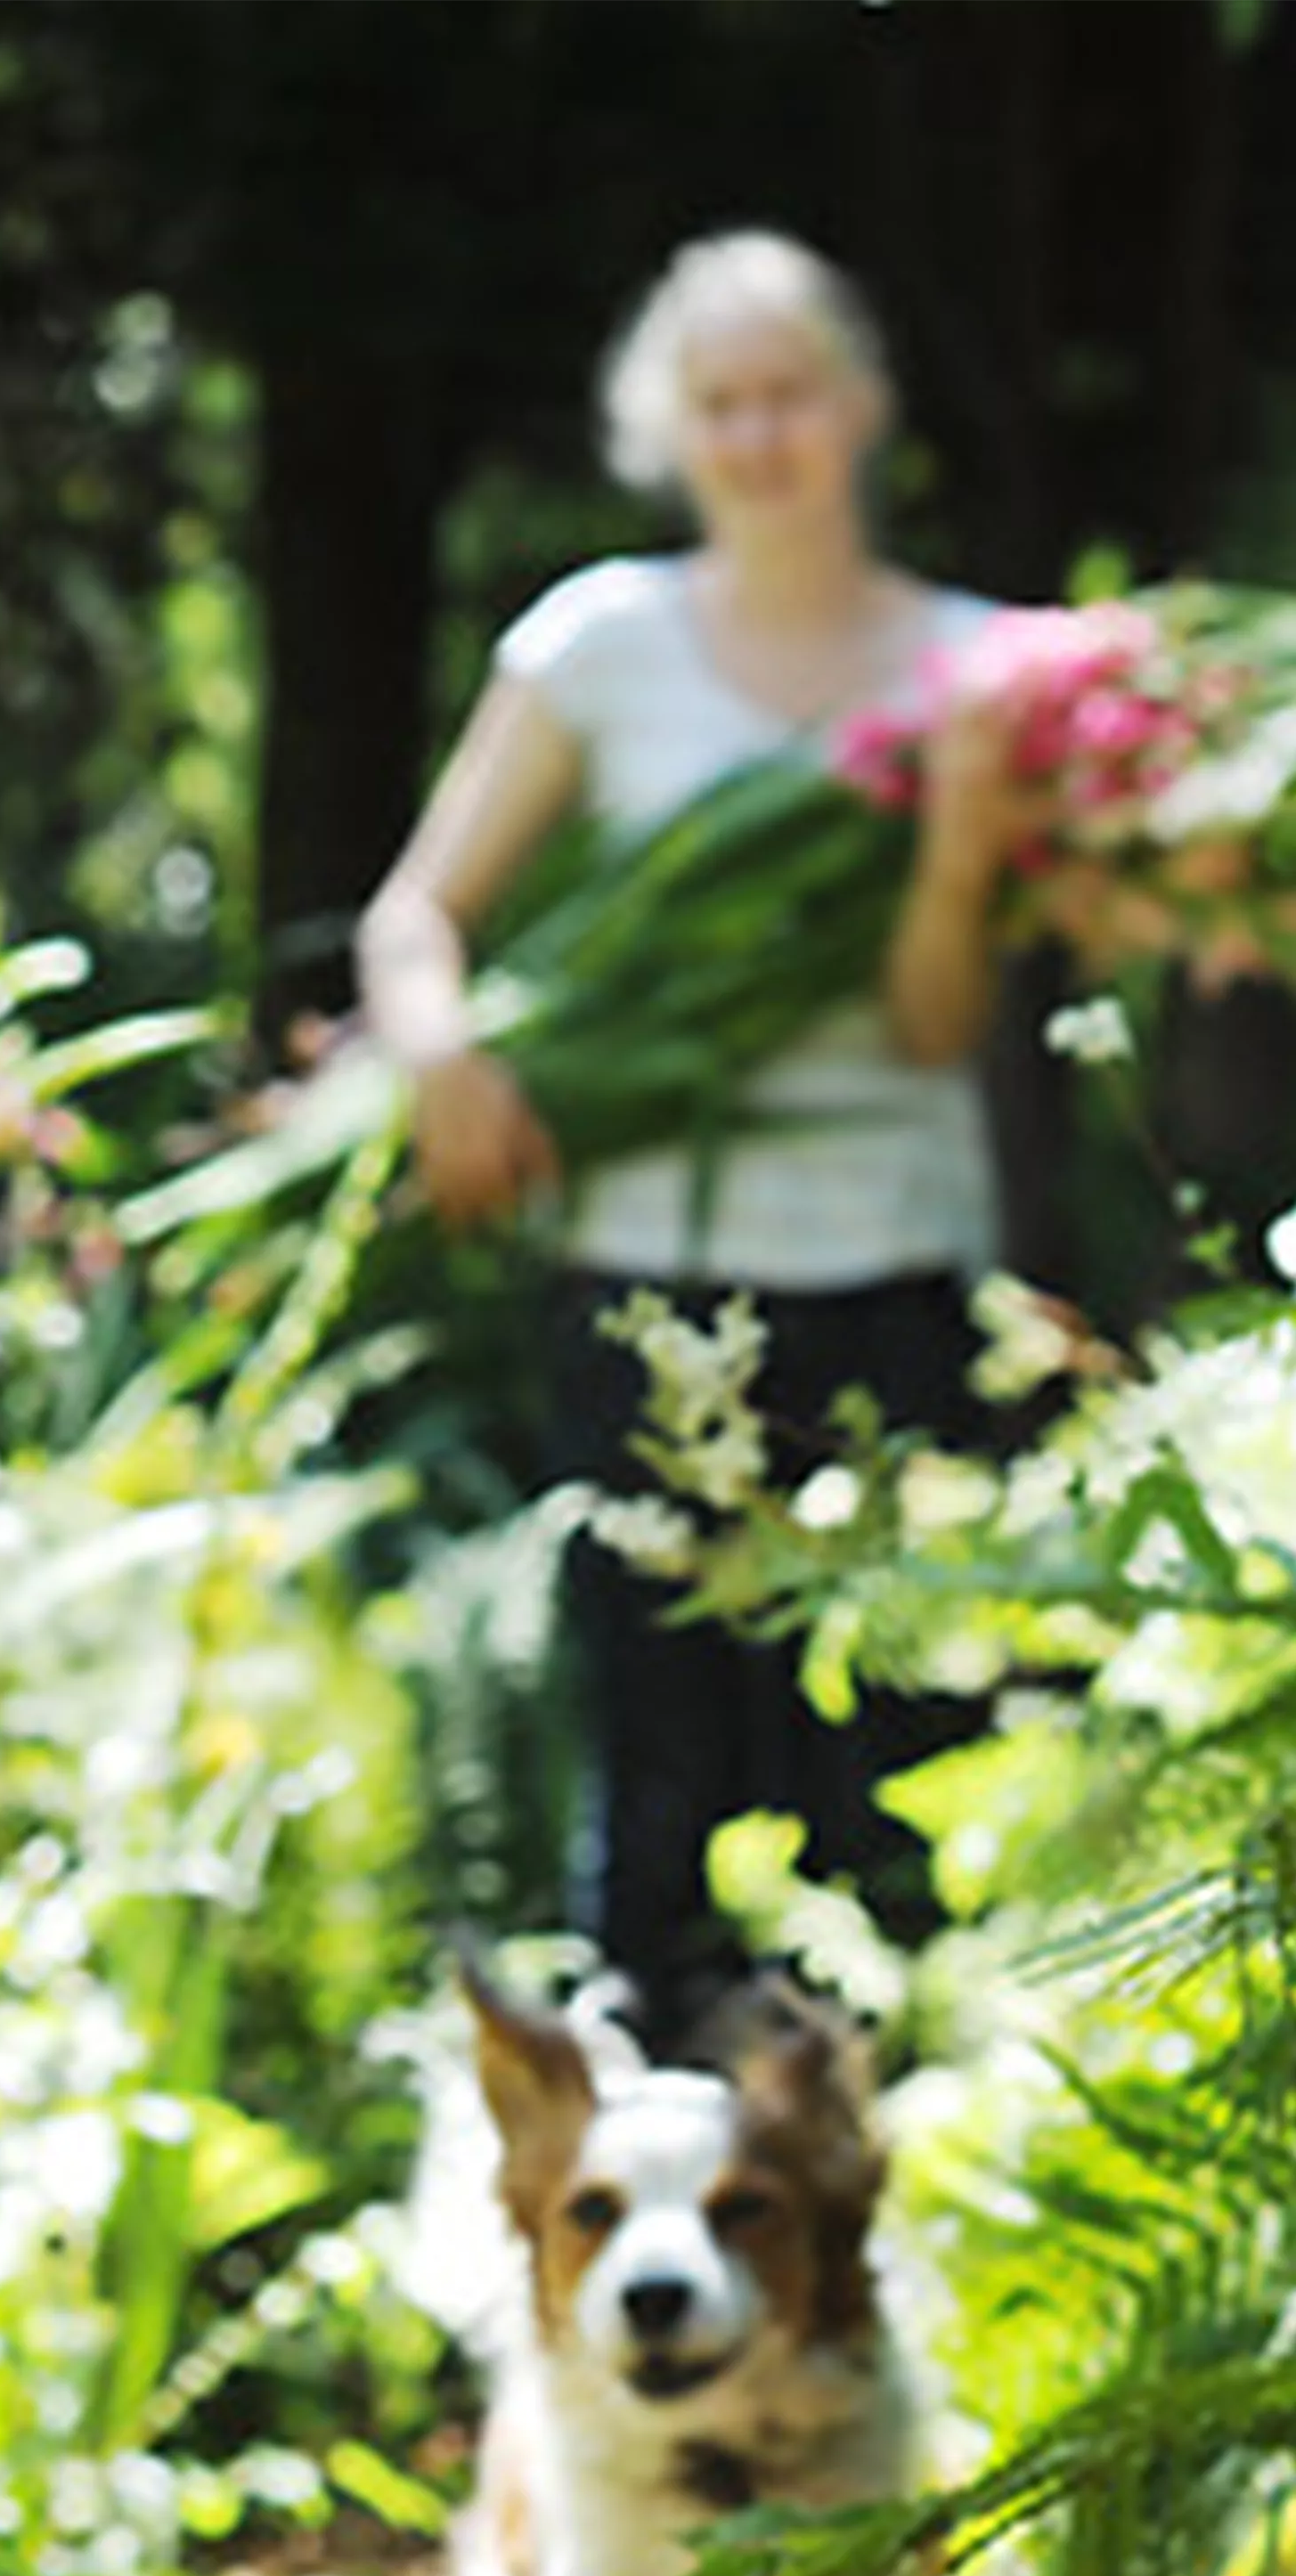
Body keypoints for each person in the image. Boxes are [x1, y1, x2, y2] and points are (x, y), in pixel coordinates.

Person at [357, 228, 1024, 2056]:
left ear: (858, 407)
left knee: (886, 1768)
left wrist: (959, 847)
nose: (758, 433)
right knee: (654, 1774)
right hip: (641, 1280)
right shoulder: (597, 644)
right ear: (669, 430)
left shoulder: (971, 674)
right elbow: (411, 919)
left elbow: (927, 1028)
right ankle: (643, 2199)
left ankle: (870, 2190)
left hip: (888, 1266)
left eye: (788, 392)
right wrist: (441, 1059)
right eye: (718, 402)